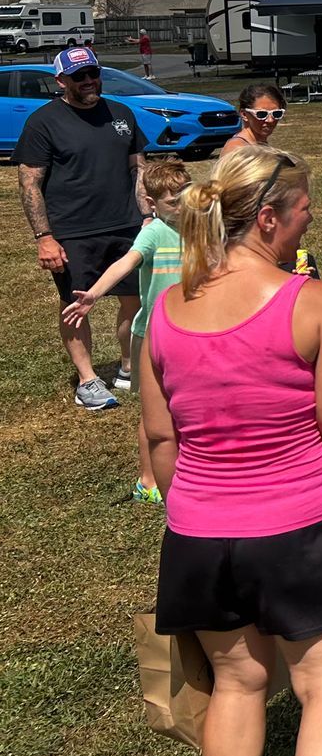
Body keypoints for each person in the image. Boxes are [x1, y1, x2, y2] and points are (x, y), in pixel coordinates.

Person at [143, 145, 322, 756]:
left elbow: (160, 437)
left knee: (236, 683)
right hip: (300, 531)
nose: (311, 221)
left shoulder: (165, 314)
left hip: (197, 538)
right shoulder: (311, 302)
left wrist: (196, 509)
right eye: (305, 211)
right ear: (267, 220)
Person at [15, 44, 151, 411]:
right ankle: (88, 379)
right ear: (61, 81)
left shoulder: (121, 113)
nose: (90, 81)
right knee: (76, 304)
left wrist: (148, 217)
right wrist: (45, 238)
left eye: (93, 73)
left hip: (127, 225)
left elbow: (137, 169)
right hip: (72, 230)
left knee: (134, 300)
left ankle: (127, 365)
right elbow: (29, 182)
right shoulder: (43, 122)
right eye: (79, 77)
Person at [63, 155, 191, 501]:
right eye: (171, 201)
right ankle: (148, 481)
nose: (180, 206)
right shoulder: (153, 233)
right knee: (154, 408)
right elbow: (125, 263)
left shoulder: (200, 231)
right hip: (152, 334)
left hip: (190, 333)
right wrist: (93, 294)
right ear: (151, 204)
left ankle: (184, 469)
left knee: (187, 404)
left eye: (186, 196)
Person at [222, 83, 288, 156]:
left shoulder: (259, 144)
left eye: (276, 113)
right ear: (244, 114)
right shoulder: (237, 149)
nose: (270, 120)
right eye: (261, 114)